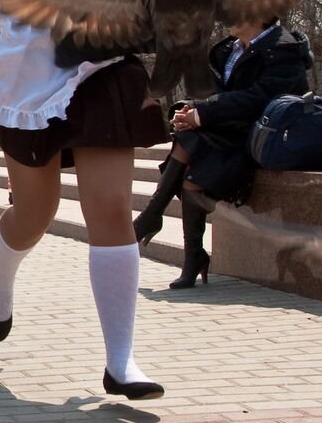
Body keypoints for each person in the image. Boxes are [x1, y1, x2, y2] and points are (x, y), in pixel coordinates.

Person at [0, 0, 169, 400]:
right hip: (32, 69)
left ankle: (120, 360)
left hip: (104, 63)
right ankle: (3, 278)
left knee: (109, 208)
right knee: (35, 213)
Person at [134, 18, 312, 288]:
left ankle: (156, 220)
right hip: (228, 132)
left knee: (192, 179)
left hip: (260, 137)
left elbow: (259, 98)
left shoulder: (283, 49)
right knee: (187, 139)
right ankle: (177, 240)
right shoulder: (231, 48)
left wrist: (202, 113)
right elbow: (219, 95)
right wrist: (191, 109)